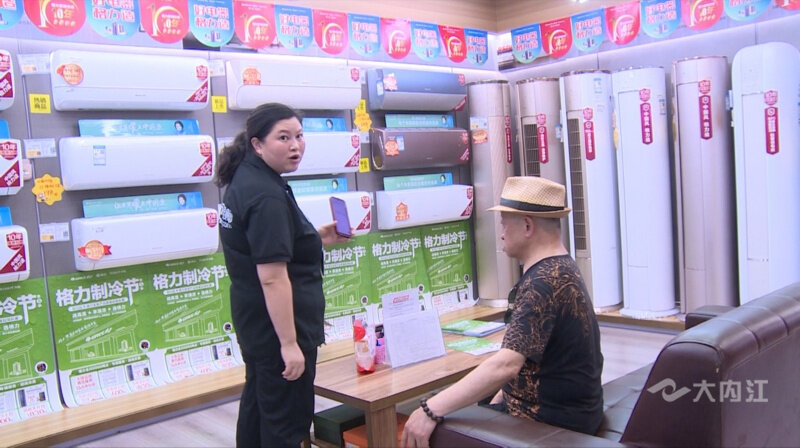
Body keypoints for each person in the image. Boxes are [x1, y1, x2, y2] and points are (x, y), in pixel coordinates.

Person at [401, 176, 604, 447]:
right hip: (576, 412)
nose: (501, 234)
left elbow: (506, 365)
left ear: (527, 225)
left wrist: (428, 409)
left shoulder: (542, 283)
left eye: (504, 223)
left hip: (553, 421)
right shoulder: (562, 267)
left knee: (432, 417)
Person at [214, 103, 350, 447]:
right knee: (286, 424)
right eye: (283, 138)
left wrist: (315, 238)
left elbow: (263, 246)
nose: (295, 146)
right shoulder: (265, 195)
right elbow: (272, 277)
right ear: (257, 144)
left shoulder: (248, 178)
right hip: (278, 330)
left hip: (256, 323)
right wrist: (289, 345)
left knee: (260, 409)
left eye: (299, 136)